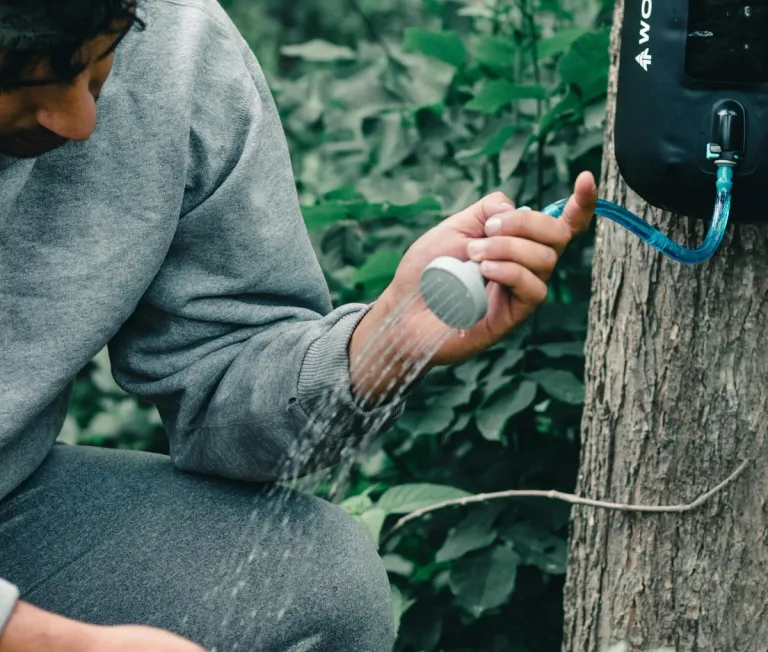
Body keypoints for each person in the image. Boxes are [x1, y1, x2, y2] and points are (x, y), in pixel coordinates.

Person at [0, 0, 598, 650]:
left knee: (320, 589)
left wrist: (384, 343)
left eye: (99, 66)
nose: (80, 122)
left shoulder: (175, 41)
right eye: (25, 80)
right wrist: (51, 640)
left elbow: (220, 370)